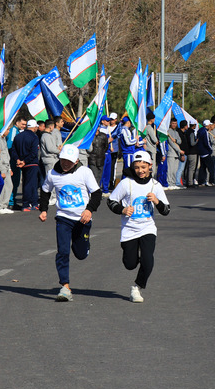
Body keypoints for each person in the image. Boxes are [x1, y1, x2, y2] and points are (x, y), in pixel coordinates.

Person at [39, 145, 102, 302]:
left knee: (80, 254)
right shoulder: (52, 174)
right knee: (63, 251)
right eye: (63, 160)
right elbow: (45, 190)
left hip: (83, 219)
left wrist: (89, 210)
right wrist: (44, 209)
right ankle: (65, 286)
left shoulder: (84, 172)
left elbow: (96, 193)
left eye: (69, 161)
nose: (65, 164)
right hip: (63, 217)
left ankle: (84, 246)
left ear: (76, 161)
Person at [107, 151, 170, 303]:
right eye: (137, 167)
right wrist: (122, 210)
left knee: (148, 261)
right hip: (129, 230)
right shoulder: (126, 183)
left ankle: (137, 287)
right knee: (130, 264)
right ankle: (132, 257)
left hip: (147, 228)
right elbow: (111, 201)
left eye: (143, 167)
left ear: (150, 166)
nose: (140, 170)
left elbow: (166, 210)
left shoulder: (155, 186)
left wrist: (156, 201)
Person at [11, 119, 40, 211]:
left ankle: (33, 202)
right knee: (31, 184)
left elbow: (13, 150)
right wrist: (24, 161)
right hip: (31, 163)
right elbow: (34, 152)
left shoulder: (18, 136)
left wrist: (18, 160)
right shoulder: (34, 137)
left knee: (27, 183)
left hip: (22, 163)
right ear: (34, 127)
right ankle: (27, 204)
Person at [0, 127, 15, 214]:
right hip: (2, 167)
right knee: (3, 188)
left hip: (7, 166)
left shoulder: (3, 139)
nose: (9, 131)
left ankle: (4, 205)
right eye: (7, 130)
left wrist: (9, 168)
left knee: (9, 186)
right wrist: (1, 170)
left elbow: (6, 155)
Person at [196, 119, 215, 186]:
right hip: (206, 152)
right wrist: (210, 150)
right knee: (211, 167)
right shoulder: (205, 132)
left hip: (200, 151)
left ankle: (201, 181)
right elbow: (207, 142)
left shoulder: (200, 130)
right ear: (208, 125)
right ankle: (211, 181)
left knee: (202, 167)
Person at [166, 118, 182, 189]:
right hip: (171, 153)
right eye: (173, 123)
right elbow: (171, 143)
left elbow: (180, 141)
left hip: (176, 154)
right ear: (170, 123)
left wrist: (175, 140)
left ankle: (173, 183)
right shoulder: (168, 131)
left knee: (175, 170)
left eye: (175, 123)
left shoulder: (176, 132)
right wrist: (179, 150)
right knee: (170, 170)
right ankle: (169, 183)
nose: (174, 125)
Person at [184, 121, 199, 187]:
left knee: (188, 167)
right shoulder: (191, 133)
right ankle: (190, 182)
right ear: (194, 125)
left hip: (188, 152)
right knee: (191, 168)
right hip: (192, 152)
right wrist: (197, 141)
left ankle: (187, 181)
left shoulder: (186, 132)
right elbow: (192, 143)